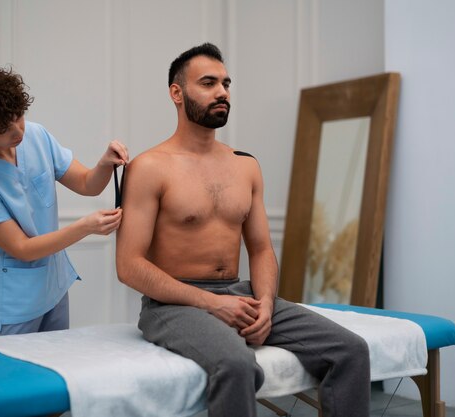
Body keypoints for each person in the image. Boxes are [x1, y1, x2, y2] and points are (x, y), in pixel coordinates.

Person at [116, 43, 370, 417]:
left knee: (350, 350)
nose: (222, 92)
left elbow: (262, 249)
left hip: (241, 293)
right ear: (176, 93)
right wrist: (212, 303)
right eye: (208, 83)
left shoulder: (245, 166)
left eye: (226, 83)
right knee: (236, 364)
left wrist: (265, 304)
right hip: (173, 305)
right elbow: (129, 265)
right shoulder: (149, 167)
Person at [0, 66, 129, 337]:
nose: (17, 130)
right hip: (11, 305)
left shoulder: (37, 136)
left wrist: (104, 164)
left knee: (54, 374)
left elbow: (86, 184)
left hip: (52, 290)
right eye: (2, 128)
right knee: (12, 379)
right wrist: (85, 227)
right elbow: (22, 248)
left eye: (18, 116)